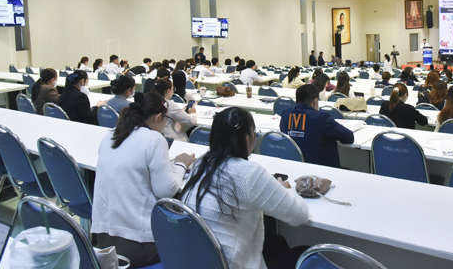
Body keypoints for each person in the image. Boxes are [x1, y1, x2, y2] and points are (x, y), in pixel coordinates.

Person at [184, 107, 309, 269]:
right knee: (306, 253)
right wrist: (282, 190)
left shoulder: (201, 163)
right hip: (230, 263)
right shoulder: (249, 173)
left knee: (277, 242)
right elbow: (300, 216)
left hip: (201, 260)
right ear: (247, 138)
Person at [92, 92, 197, 268]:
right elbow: (166, 190)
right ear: (158, 118)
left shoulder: (110, 137)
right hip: (137, 246)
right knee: (191, 236)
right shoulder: (154, 139)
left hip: (103, 243)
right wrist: (180, 164)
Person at [280, 84, 354, 167]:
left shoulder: (285, 114)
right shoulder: (321, 118)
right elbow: (349, 137)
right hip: (322, 170)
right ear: (315, 101)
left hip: (294, 166)